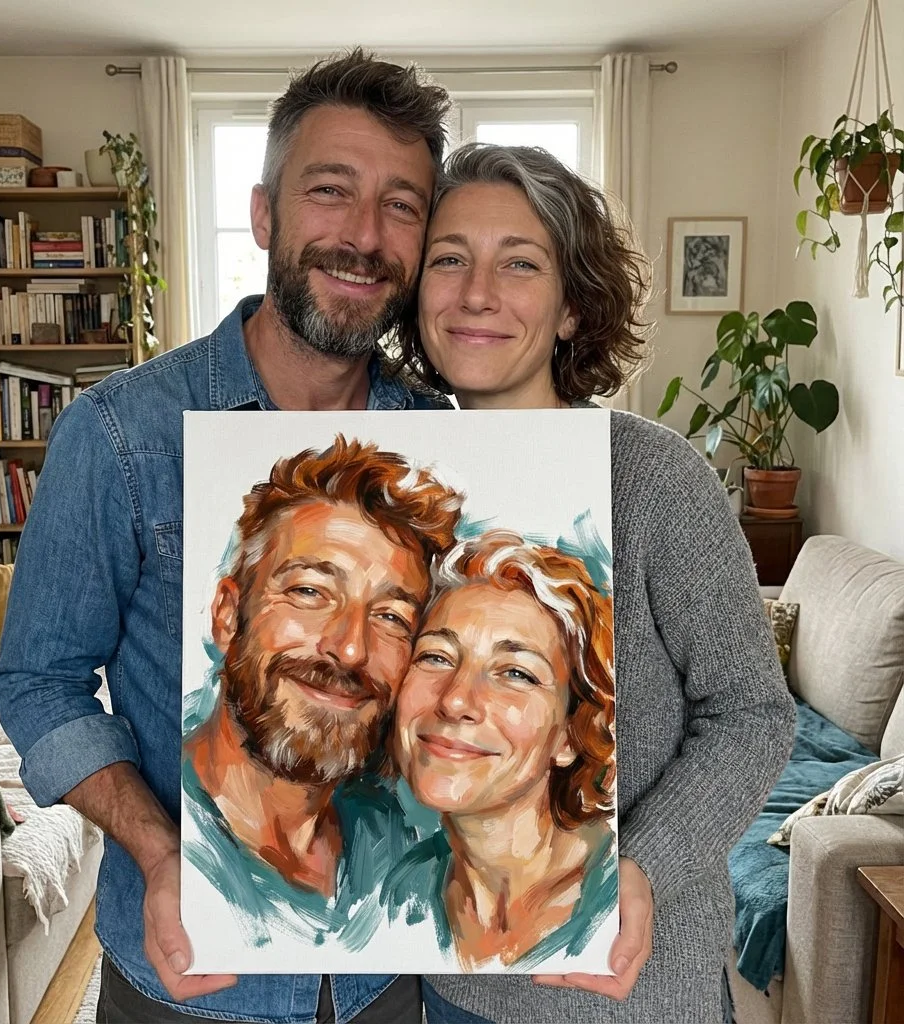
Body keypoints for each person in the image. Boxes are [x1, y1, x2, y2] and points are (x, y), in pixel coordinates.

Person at [0, 50, 453, 1024]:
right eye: (331, 190)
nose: (364, 235)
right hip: (191, 976)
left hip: (389, 973)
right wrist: (161, 852)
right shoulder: (120, 433)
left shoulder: (442, 436)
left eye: (402, 204)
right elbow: (36, 680)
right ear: (264, 214)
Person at [393, 143, 797, 1022]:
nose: (477, 293)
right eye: (449, 259)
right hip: (452, 982)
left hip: (633, 990)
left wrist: (641, 867)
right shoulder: (396, 497)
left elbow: (755, 714)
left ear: (574, 308)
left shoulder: (655, 480)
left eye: (521, 264)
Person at [182, 436, 461, 952]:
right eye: (310, 592)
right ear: (227, 615)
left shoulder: (401, 848)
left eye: (391, 617)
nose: (351, 648)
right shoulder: (175, 834)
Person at [385, 530, 618, 972]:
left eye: (515, 672)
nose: (455, 700)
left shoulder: (614, 892)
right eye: (435, 656)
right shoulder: (398, 891)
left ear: (571, 735)